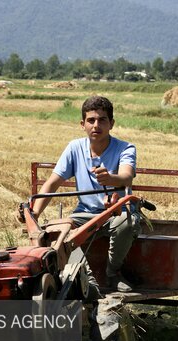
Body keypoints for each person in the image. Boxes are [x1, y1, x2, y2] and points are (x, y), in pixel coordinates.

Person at [32, 96, 140, 292]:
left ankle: (112, 272)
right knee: (58, 233)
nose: (96, 125)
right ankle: (85, 279)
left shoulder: (125, 148)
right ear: (82, 124)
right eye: (91, 120)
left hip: (116, 211)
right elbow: (53, 182)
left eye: (102, 120)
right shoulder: (75, 148)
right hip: (85, 213)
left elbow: (126, 176)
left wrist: (111, 178)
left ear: (111, 124)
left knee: (125, 222)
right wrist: (34, 212)